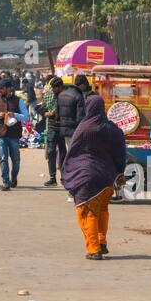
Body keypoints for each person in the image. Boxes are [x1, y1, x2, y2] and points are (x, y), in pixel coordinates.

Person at [61, 95, 128, 260]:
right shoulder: (113, 129)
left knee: (88, 213)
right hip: (107, 179)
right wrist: (119, 172)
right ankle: (101, 242)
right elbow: (121, 152)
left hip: (87, 178)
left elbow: (72, 152)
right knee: (103, 210)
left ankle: (94, 249)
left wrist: (67, 173)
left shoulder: (84, 128)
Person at [0, 79, 23, 190]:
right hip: (1, 134)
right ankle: (5, 182)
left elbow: (26, 116)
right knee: (3, 158)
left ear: (9, 88)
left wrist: (15, 114)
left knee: (16, 160)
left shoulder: (18, 101)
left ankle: (13, 177)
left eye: (2, 88)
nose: (0, 90)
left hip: (14, 135)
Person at [42, 75, 65, 186]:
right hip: (52, 127)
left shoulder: (66, 97)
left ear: (60, 87)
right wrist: (47, 113)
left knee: (63, 153)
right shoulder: (49, 95)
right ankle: (52, 178)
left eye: (55, 88)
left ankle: (64, 177)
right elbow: (43, 109)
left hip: (63, 128)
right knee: (51, 152)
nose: (53, 90)